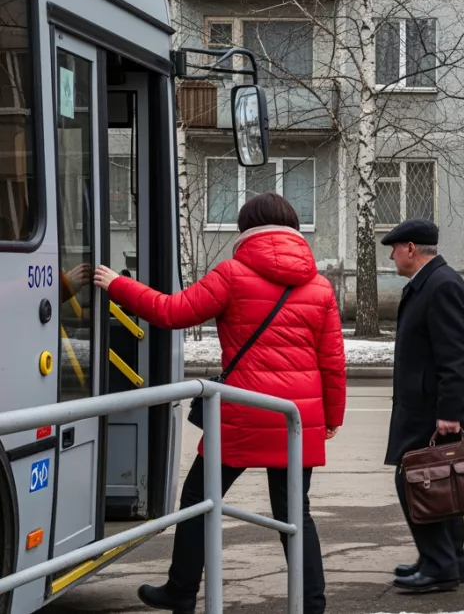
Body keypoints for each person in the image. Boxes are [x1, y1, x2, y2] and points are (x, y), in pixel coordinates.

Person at [94, 192, 346, 614]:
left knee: (197, 500)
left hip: (241, 413)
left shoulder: (233, 273)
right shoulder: (318, 286)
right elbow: (333, 363)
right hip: (295, 419)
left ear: (247, 230)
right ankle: (312, 605)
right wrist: (332, 418)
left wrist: (117, 284)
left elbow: (172, 312)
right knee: (295, 516)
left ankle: (181, 589)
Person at [381, 218, 464, 594]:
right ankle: (445, 560)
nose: (391, 255)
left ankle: (440, 565)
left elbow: (457, 356)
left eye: (394, 248)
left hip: (434, 413)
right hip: (428, 408)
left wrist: (450, 413)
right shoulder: (431, 283)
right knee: (444, 485)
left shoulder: (440, 286)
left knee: (417, 481)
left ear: (410, 248)